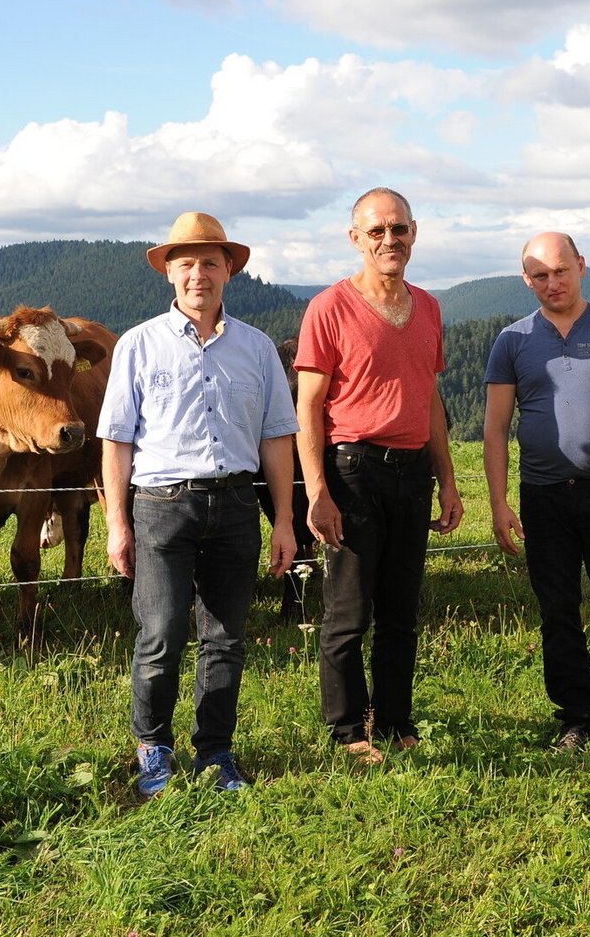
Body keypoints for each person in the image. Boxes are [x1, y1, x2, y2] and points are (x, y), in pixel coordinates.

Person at [99, 211, 299, 798]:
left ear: (229, 271)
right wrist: (116, 522)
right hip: (161, 505)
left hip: (237, 504)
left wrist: (284, 519)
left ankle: (215, 752)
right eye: (185, 263)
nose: (198, 275)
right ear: (169, 273)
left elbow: (276, 438)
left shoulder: (257, 349)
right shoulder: (138, 345)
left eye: (210, 262)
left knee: (226, 638)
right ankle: (153, 751)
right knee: (160, 635)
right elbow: (116, 439)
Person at [482, 232, 590, 780]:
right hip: (542, 498)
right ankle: (575, 720)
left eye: (561, 271)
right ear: (526, 280)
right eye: (540, 275)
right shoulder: (512, 341)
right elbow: (494, 430)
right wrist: (499, 504)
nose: (552, 283)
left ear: (582, 267)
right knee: (557, 614)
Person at [295, 187, 463, 764]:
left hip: (413, 474)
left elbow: (431, 399)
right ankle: (347, 732)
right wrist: (317, 490)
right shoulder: (329, 308)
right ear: (355, 239)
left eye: (398, 230)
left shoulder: (430, 308)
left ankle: (394, 721)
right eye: (376, 232)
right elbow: (308, 407)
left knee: (400, 609)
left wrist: (447, 478)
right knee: (348, 612)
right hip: (353, 472)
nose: (389, 240)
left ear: (414, 233)